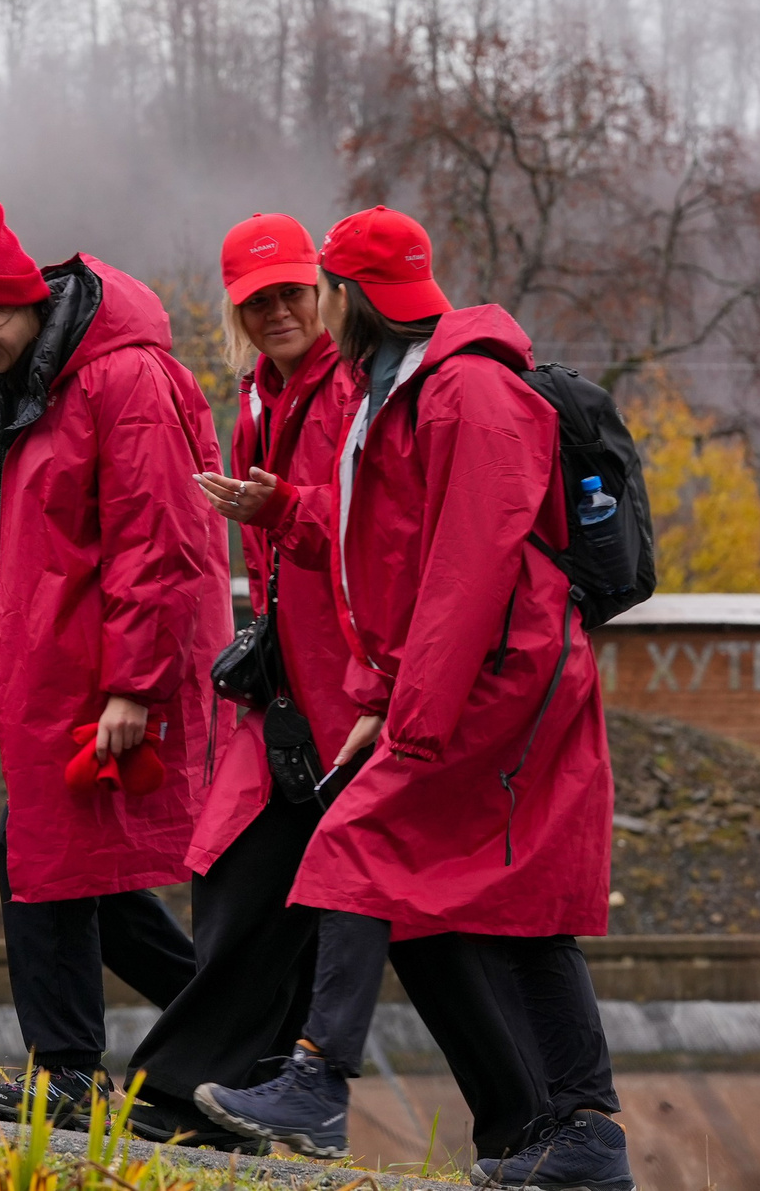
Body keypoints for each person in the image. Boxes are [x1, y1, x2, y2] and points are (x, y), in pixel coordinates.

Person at [194, 206, 632, 1191]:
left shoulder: (464, 393)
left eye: (317, 293)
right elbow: (393, 560)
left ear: (346, 298)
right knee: (519, 911)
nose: (306, 313)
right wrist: (382, 686)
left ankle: (316, 1084)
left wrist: (408, 715)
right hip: (472, 676)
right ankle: (586, 1142)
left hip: (496, 680)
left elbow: (464, 570)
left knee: (353, 838)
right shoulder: (410, 389)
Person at [127, 214, 542, 1160]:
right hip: (293, 696)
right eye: (256, 298)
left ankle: (532, 1122)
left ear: (325, 294)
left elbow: (388, 536)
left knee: (406, 918)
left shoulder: (359, 389)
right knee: (255, 881)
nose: (277, 310)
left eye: (291, 292)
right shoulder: (259, 397)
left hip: (356, 694)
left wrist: (375, 687)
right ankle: (200, 1093)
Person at [0, 195, 231, 1128]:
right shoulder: (2, 384)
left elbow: (157, 541)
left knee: (40, 856)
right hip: (45, 663)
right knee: (73, 864)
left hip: (103, 667)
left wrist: (134, 681)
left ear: (25, 303)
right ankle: (234, 1028)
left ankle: (74, 1070)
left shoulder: (126, 379)